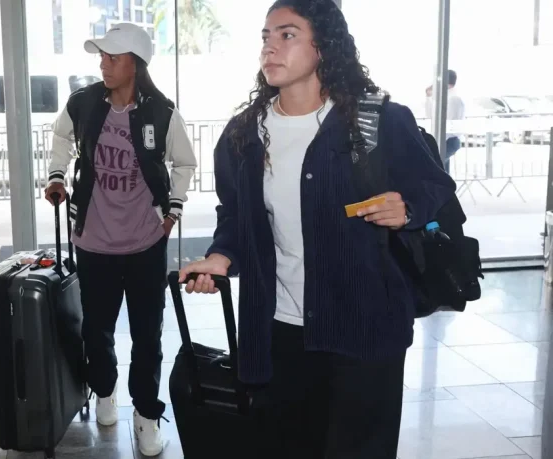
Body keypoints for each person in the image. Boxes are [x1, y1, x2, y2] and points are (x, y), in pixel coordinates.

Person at [177, 1, 456, 457]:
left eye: (287, 35)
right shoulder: (244, 136)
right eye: (266, 37)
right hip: (283, 328)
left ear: (323, 46)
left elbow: (435, 186)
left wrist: (407, 209)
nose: (270, 47)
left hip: (366, 325)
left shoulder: (378, 121)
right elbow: (238, 217)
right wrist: (222, 256)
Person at [44, 23, 197, 457]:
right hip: (93, 242)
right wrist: (57, 177)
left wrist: (172, 211)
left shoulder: (162, 113)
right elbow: (59, 139)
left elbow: (184, 163)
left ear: (135, 63)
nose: (103, 63)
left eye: (112, 57)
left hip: (147, 243)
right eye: (102, 56)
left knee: (148, 334)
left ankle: (147, 415)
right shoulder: (83, 104)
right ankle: (105, 391)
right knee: (97, 329)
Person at [426, 69, 466, 173]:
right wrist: (428, 97)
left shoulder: (453, 99)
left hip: (448, 141)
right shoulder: (446, 98)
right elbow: (430, 115)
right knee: (442, 171)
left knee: (435, 166)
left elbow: (448, 125)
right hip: (445, 140)